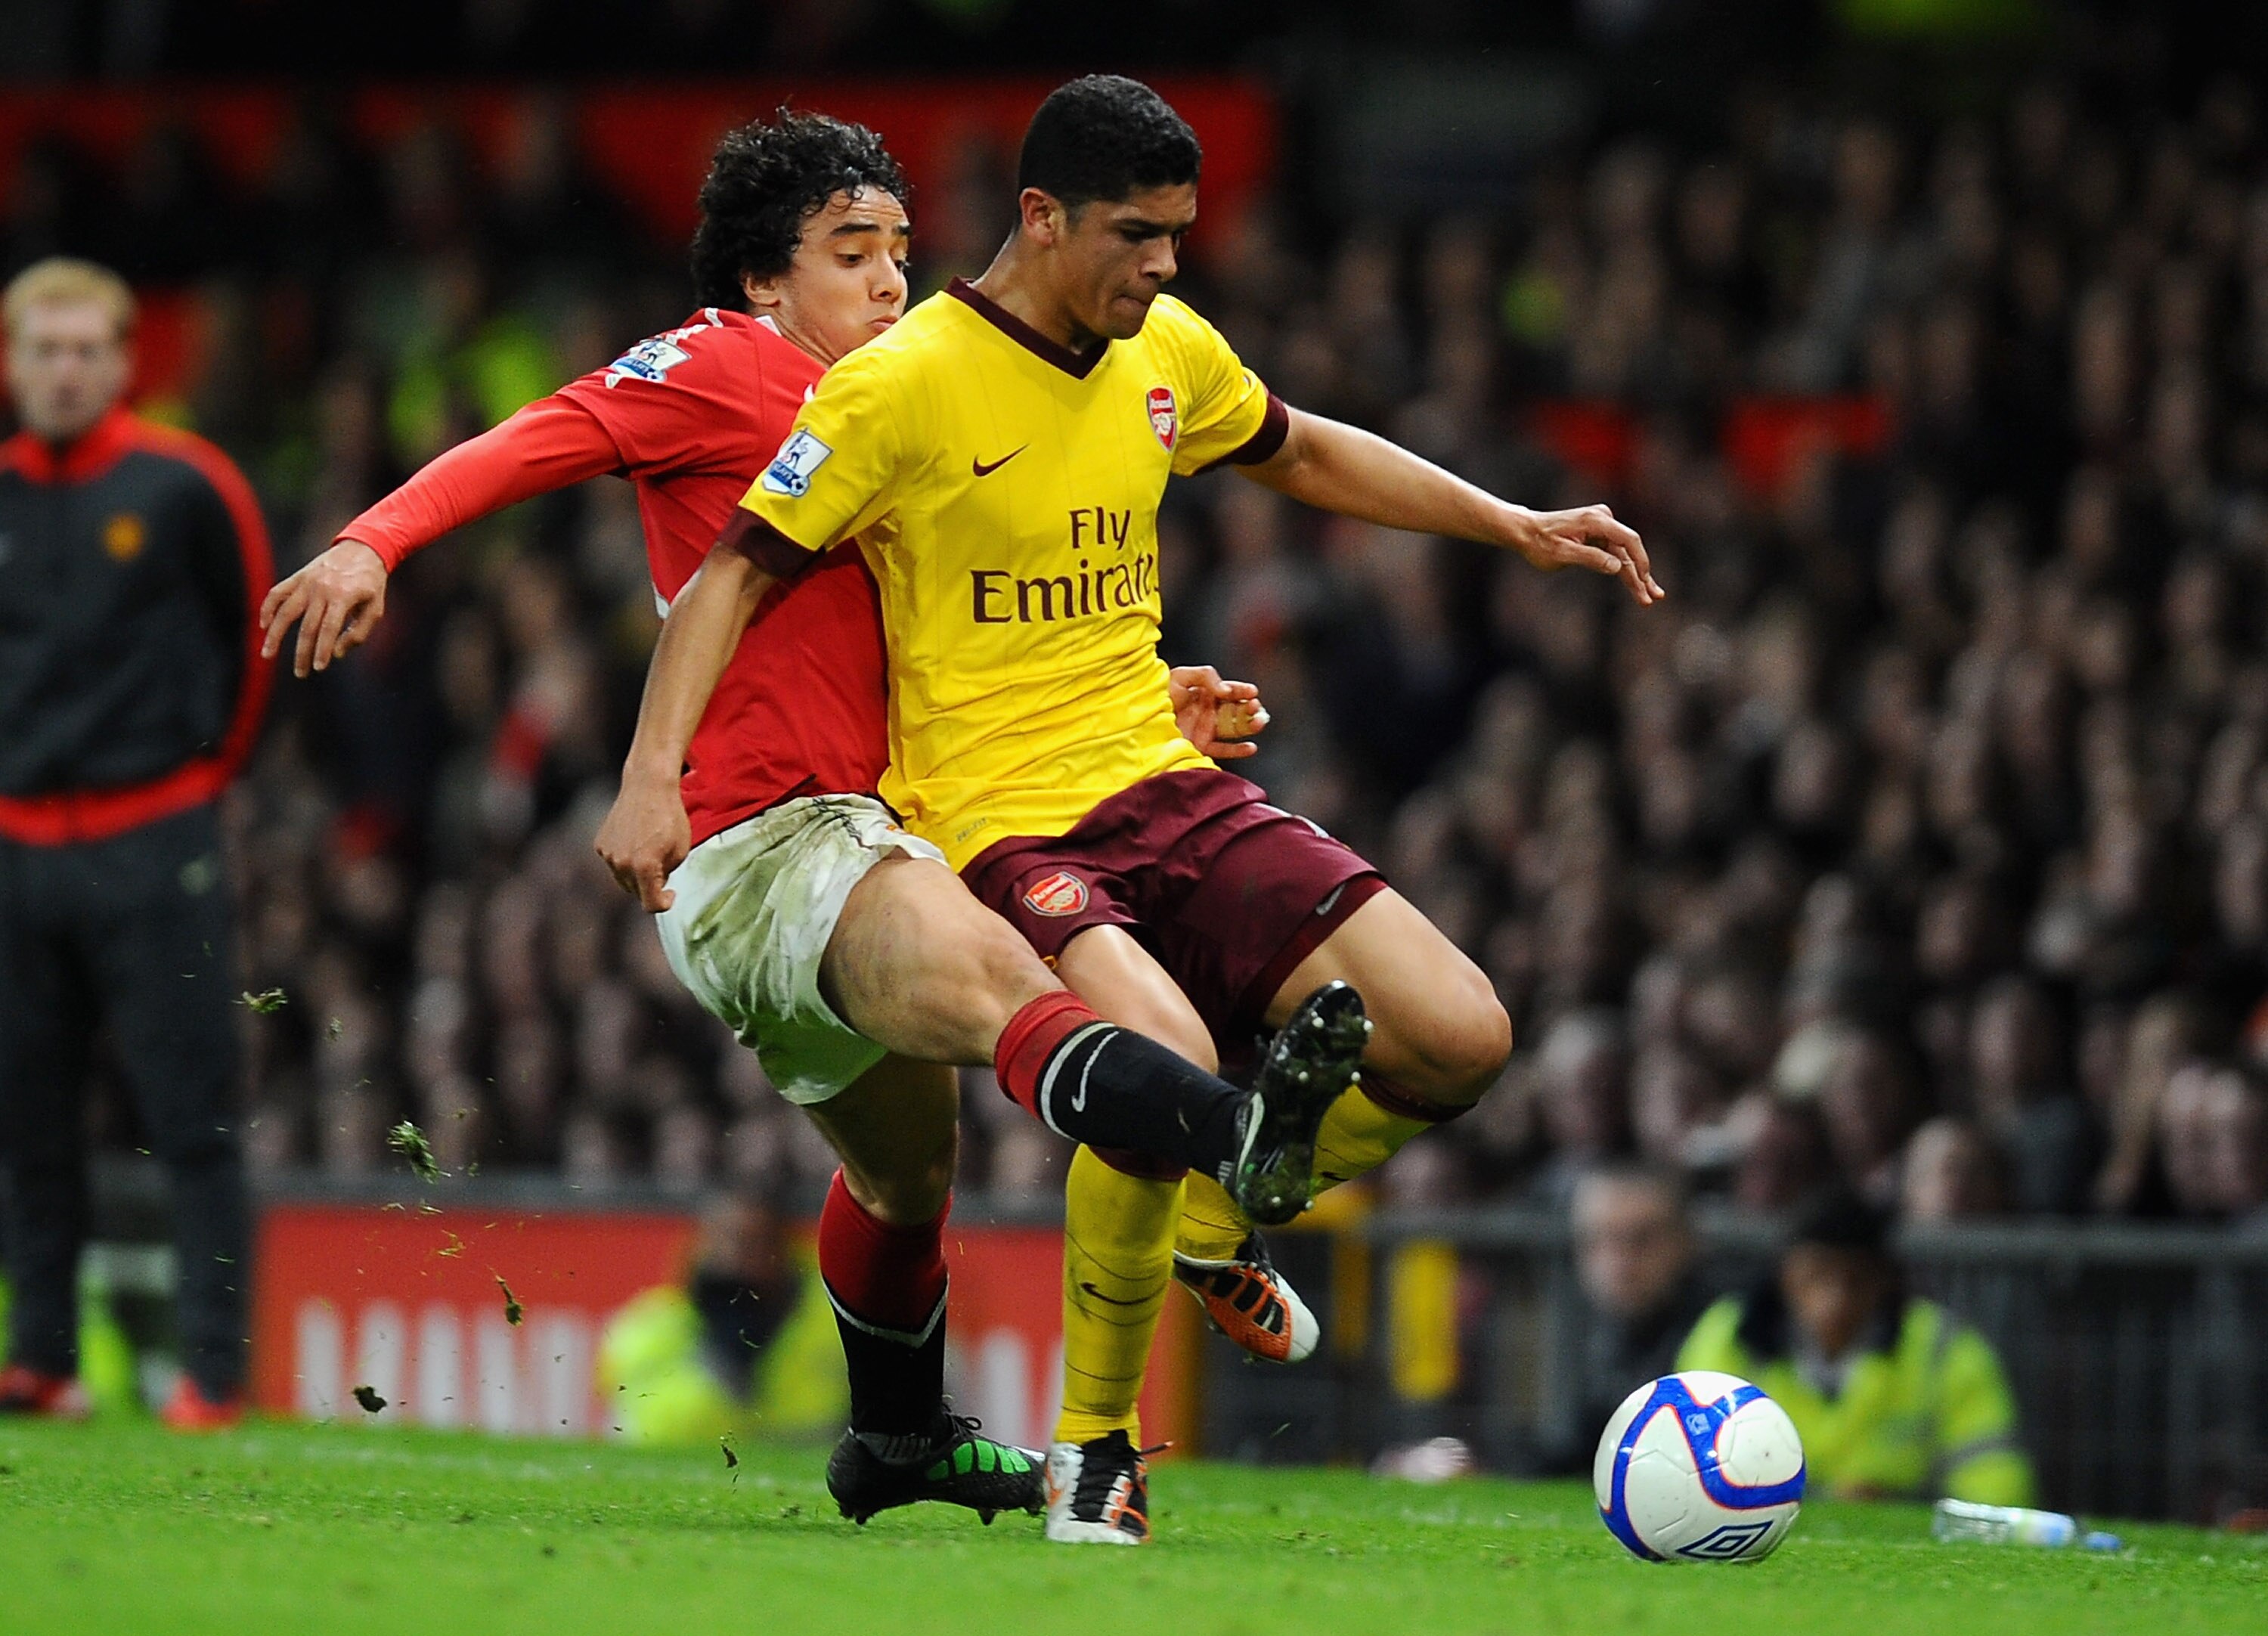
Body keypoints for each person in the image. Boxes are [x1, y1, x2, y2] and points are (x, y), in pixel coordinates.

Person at [609, 74, 1658, 1542]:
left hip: (1161, 780)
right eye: (1138, 234)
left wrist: (1511, 521)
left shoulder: (1162, 346)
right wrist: (654, 774)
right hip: (996, 822)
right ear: (1040, 219)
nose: (1167, 264)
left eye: (1179, 233)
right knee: (1151, 1055)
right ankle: (1095, 1446)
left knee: (1459, 1032)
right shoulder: (900, 383)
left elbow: (1300, 446)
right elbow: (730, 576)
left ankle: (1217, 1215)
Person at [262, 110, 1340, 1529]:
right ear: (767, 285)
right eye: (851, 253)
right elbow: (530, 440)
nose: (893, 280)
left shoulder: (899, 414)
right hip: (775, 843)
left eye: (900, 248)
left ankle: (894, 1437)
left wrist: (1140, 707)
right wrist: (371, 537)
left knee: (908, 1178)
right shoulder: (723, 363)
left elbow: (960, 637)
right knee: (1032, 998)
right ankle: (1233, 1133)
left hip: (875, 835)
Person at [0, 257, 274, 1430]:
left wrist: (202, 782)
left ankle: (213, 1374)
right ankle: (43, 1361)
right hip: (16, 850)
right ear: (11, 365)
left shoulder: (183, 486)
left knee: (192, 1115)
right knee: (28, 1120)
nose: (63, 371)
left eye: (84, 350)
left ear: (123, 362)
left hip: (154, 840)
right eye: (42, 350)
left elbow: (257, 635)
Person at [1677, 1188, 2035, 1505]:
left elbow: (1996, 1489)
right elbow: (1684, 1464)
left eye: (1855, 1278)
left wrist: (1901, 1505)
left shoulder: (1945, 1350)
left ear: (1883, 1280)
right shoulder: (1730, 1335)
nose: (1835, 1299)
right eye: (1816, 1273)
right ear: (1786, 1273)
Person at [598, 1190, 847, 1445]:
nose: (740, 1257)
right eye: (730, 1240)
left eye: (757, 1242)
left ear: (784, 1246)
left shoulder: (836, 1323)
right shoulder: (644, 1329)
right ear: (701, 1245)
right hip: (681, 1471)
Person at [1535, 1163, 1712, 1473]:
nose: (1619, 1263)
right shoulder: (1590, 1331)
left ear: (1686, 1241)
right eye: (1597, 1240)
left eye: (1641, 1240)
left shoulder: (1733, 1330)